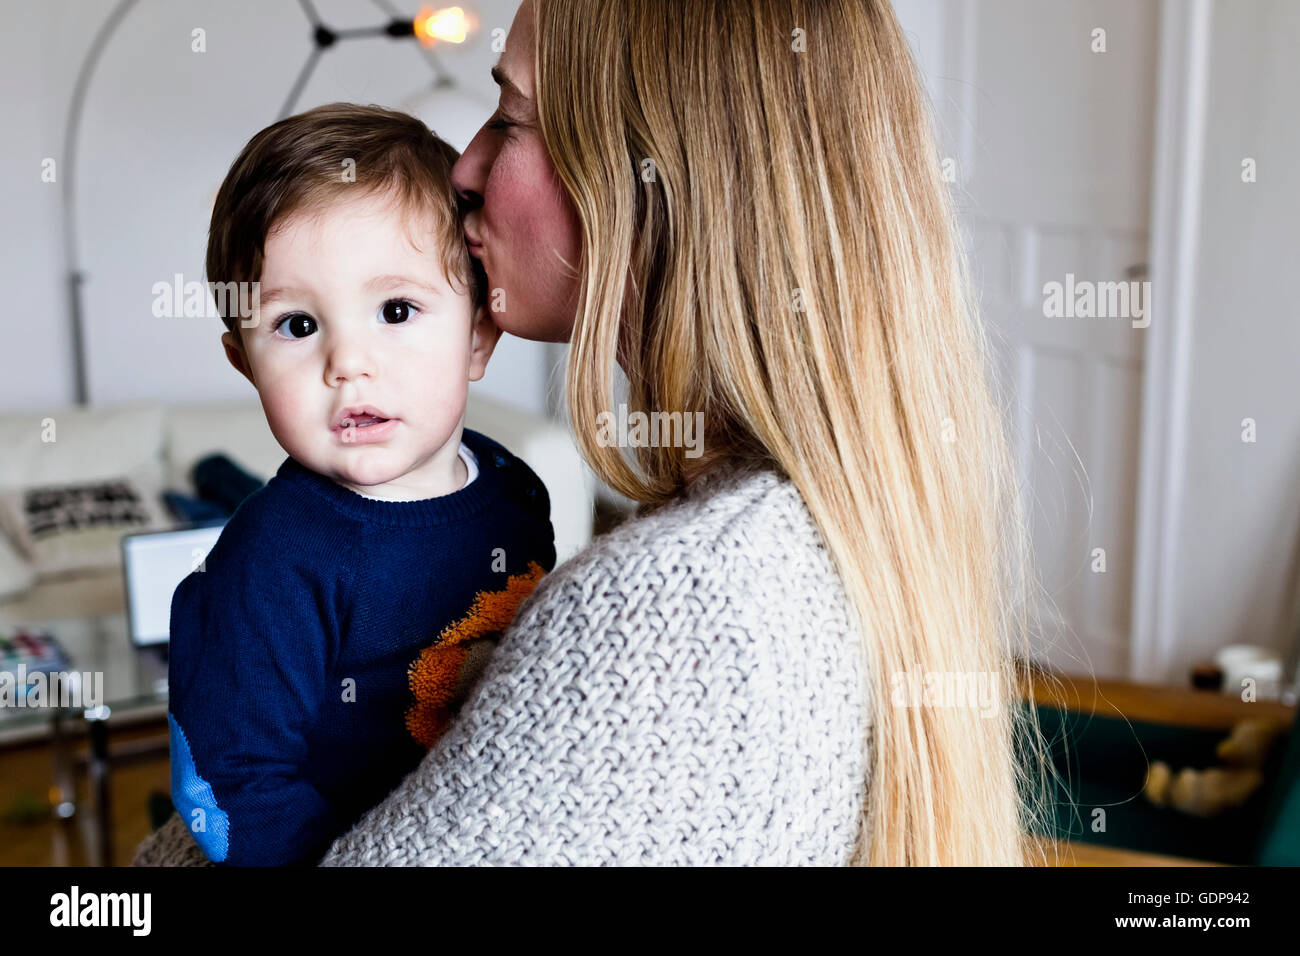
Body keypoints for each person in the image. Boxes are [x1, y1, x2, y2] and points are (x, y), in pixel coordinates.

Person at [135, 0, 1053, 867]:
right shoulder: (782, 531)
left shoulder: (684, 602)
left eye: (512, 116)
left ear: (655, 176)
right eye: (298, 327)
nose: (464, 168)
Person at [158, 103, 555, 866]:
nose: (348, 362)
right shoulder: (273, 560)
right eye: (297, 326)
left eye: (396, 310)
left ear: (478, 336)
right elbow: (230, 780)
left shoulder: (514, 488)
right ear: (246, 364)